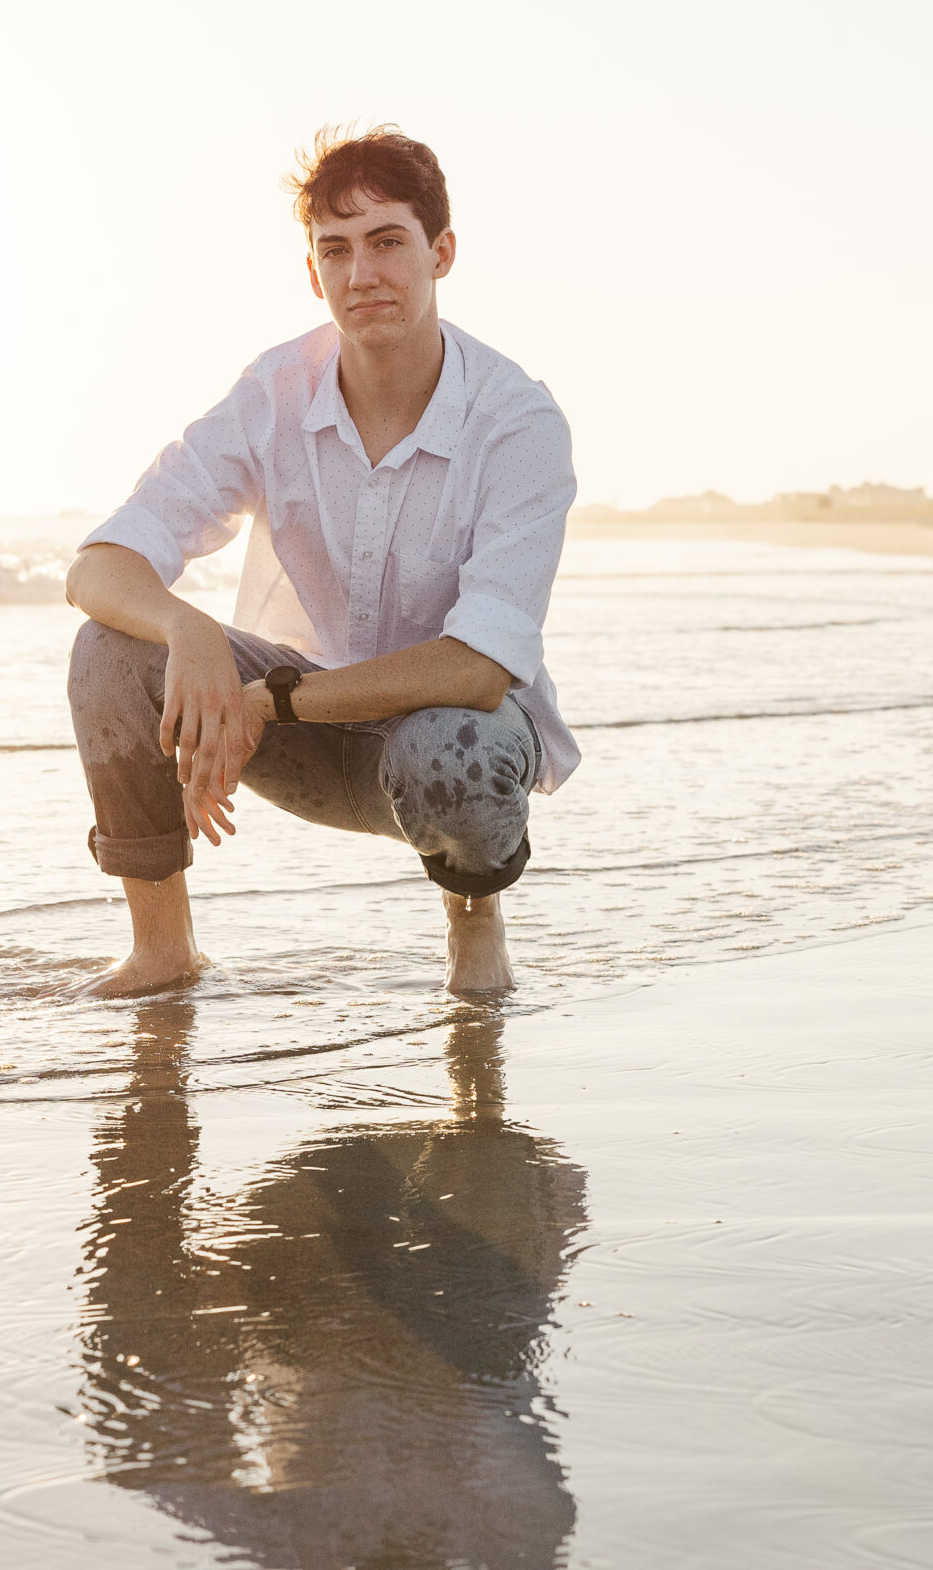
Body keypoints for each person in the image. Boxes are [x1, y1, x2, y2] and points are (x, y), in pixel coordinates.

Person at [65, 125, 578, 998]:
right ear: (313, 272)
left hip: (446, 746)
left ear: (441, 253)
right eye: (333, 251)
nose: (360, 273)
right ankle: (164, 952)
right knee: (111, 651)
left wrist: (268, 702)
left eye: (387, 242)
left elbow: (482, 667)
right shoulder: (275, 390)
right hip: (295, 731)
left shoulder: (517, 421)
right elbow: (97, 568)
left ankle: (474, 920)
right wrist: (185, 628)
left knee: (450, 746)